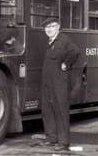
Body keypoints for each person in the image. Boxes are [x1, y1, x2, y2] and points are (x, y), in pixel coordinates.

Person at [40, 17, 80, 152]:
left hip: (59, 82)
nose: (49, 29)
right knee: (47, 110)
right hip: (47, 82)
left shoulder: (64, 39)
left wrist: (66, 64)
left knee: (61, 111)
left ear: (58, 27)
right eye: (46, 27)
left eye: (51, 26)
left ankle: (63, 142)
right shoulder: (50, 41)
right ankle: (51, 138)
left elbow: (75, 51)